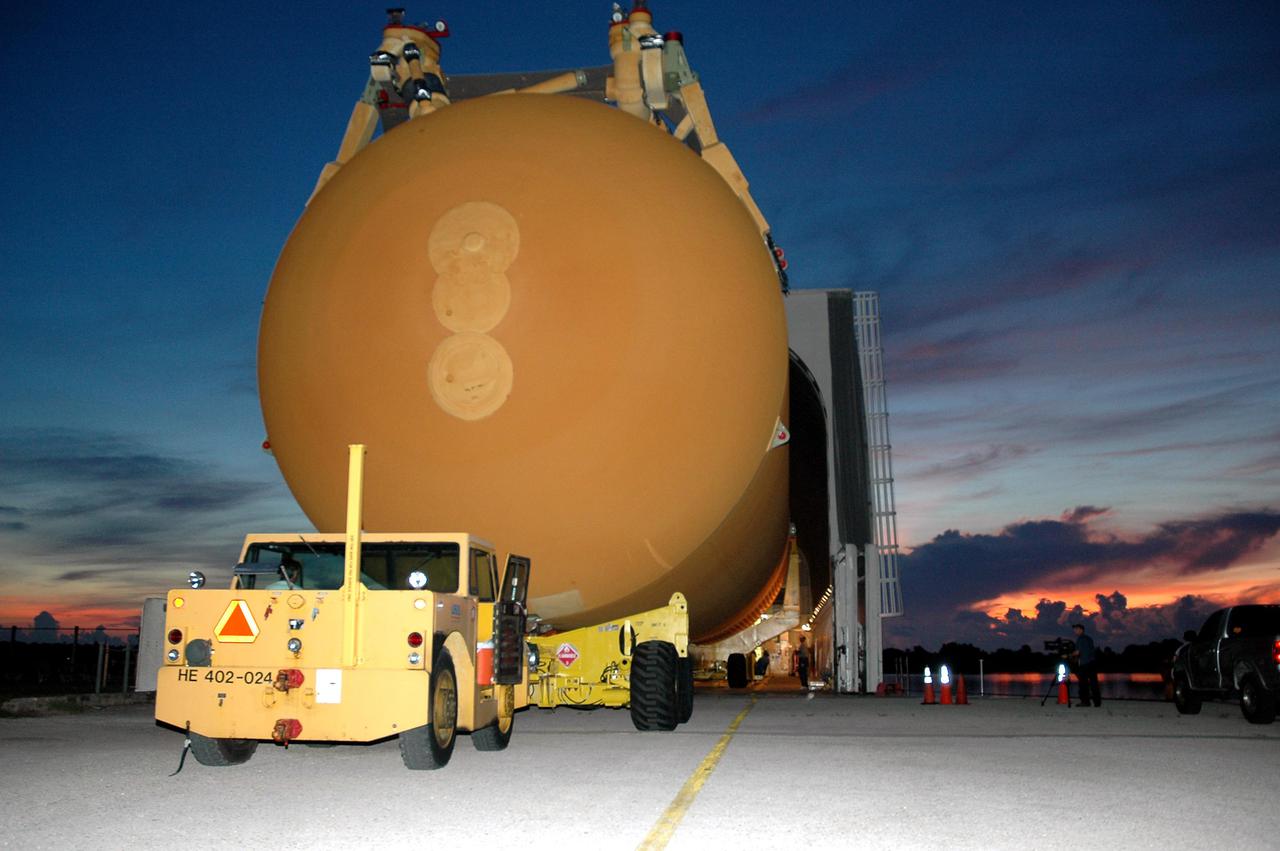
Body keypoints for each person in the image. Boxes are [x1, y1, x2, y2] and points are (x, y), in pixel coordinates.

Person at [1070, 623, 1101, 707]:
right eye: (1074, 629)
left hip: (1085, 664)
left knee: (1083, 684)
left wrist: (1069, 655)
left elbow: (1078, 652)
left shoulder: (1080, 639)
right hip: (1092, 663)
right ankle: (1097, 702)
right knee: (1094, 683)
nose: (1074, 631)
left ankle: (1085, 702)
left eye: (1076, 629)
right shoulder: (1089, 639)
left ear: (1081, 630)